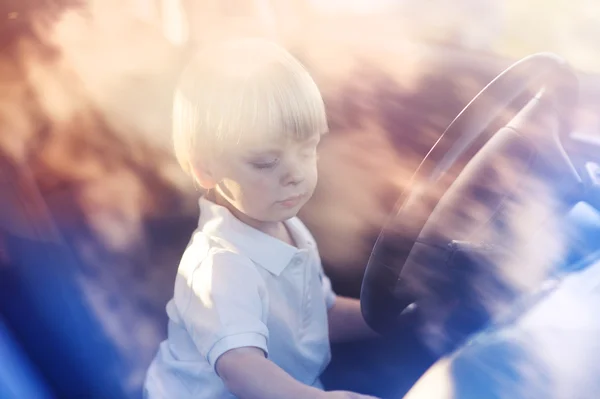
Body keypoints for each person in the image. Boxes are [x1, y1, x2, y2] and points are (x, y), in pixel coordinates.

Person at [144, 37, 379, 399]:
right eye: (267, 162)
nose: (296, 173)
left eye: (308, 149)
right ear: (206, 169)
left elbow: (318, 317)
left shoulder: (287, 227)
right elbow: (242, 368)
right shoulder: (220, 265)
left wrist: (391, 318)